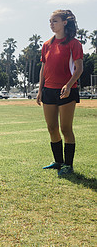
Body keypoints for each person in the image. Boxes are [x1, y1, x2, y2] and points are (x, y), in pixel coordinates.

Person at [37, 9, 83, 177]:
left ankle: (68, 165)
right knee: (51, 127)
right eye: (50, 21)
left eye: (55, 21)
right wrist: (40, 89)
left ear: (65, 22)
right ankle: (58, 161)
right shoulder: (46, 45)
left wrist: (69, 85)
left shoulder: (74, 44)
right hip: (49, 90)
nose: (51, 24)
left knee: (65, 128)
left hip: (67, 90)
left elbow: (79, 68)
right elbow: (43, 68)